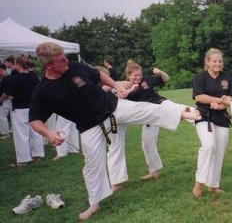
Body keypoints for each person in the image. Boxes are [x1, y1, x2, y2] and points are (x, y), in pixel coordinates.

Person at [29, 42, 201, 220]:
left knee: (146, 109)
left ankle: (183, 113)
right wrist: (48, 134)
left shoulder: (75, 67)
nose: (66, 60)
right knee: (92, 165)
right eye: (61, 59)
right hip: (89, 126)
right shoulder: (43, 91)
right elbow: (34, 119)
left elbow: (99, 75)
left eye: (65, 56)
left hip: (111, 106)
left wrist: (116, 85)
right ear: (49, 65)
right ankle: (94, 204)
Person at [107, 61, 181, 191]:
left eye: (139, 75)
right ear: (128, 75)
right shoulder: (125, 85)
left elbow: (166, 78)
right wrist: (130, 90)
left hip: (156, 109)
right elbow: (119, 99)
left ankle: (197, 117)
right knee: (146, 142)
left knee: (177, 112)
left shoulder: (147, 80)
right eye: (135, 75)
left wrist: (159, 72)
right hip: (139, 115)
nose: (138, 78)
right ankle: (154, 171)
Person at [192, 48, 232, 199]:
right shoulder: (201, 76)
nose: (218, 63)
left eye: (220, 61)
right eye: (214, 61)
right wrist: (218, 100)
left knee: (219, 151)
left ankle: (213, 184)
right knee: (208, 146)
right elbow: (199, 97)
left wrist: (222, 105)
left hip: (222, 118)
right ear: (208, 62)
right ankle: (199, 182)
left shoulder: (227, 77)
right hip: (204, 117)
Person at [5, 55, 44, 167]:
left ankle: (23, 159)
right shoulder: (33, 76)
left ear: (17, 65)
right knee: (35, 132)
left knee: (21, 134)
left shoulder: (14, 78)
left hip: (20, 108)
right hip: (33, 107)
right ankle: (38, 155)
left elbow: (11, 95)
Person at [0, 63, 10, 138]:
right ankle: (4, 131)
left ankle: (5, 133)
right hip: (4, 100)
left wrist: (1, 99)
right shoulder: (5, 77)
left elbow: (6, 92)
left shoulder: (6, 78)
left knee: (2, 116)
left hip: (5, 100)